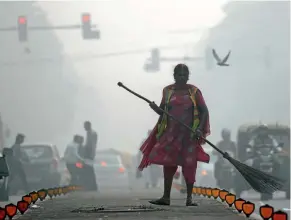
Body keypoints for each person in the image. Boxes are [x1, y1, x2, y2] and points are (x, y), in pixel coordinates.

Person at [138, 64, 210, 206]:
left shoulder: (194, 91)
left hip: (189, 136)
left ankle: (189, 198)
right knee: (169, 164)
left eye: (184, 75)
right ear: (174, 76)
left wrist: (200, 129)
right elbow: (163, 111)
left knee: (189, 164)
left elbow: (204, 111)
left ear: (188, 76)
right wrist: (155, 108)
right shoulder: (167, 91)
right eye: (179, 75)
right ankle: (166, 197)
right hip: (171, 134)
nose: (181, 77)